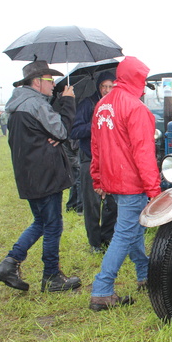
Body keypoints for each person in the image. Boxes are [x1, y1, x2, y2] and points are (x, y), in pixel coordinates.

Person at [0, 60, 81, 293]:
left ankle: (9, 264)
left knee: (41, 222)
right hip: (45, 174)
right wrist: (69, 102)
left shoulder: (19, 103)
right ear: (37, 81)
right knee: (52, 225)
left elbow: (47, 132)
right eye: (50, 80)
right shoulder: (35, 104)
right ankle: (52, 277)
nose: (54, 85)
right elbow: (60, 130)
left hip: (29, 174)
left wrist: (54, 126)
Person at [89, 56, 161, 311]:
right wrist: (155, 191)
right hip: (131, 183)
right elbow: (144, 153)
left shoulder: (102, 105)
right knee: (125, 234)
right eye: (143, 79)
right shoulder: (136, 108)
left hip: (112, 181)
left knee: (134, 231)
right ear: (136, 79)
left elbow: (95, 146)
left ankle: (144, 274)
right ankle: (102, 289)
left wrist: (97, 177)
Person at [71, 71, 117, 253]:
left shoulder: (116, 105)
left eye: (110, 86)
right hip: (89, 158)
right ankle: (94, 242)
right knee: (92, 203)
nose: (106, 90)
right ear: (98, 87)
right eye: (103, 86)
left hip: (111, 160)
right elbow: (74, 131)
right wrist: (96, 124)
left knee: (112, 202)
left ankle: (107, 237)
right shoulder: (87, 104)